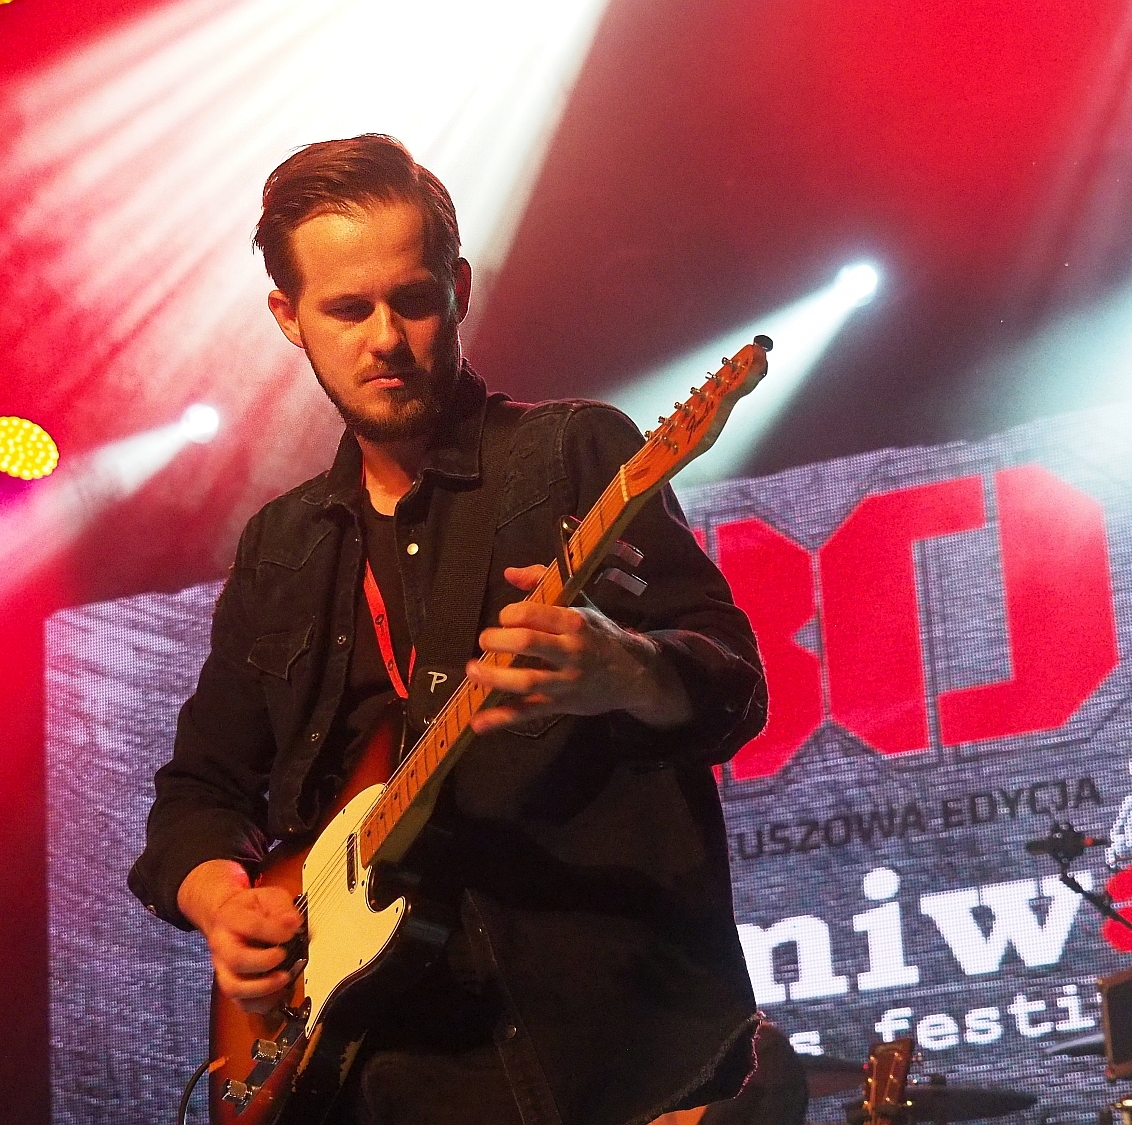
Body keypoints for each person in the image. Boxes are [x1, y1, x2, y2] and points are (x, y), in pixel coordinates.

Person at [128, 134, 769, 1125]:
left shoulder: (574, 452)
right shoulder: (280, 549)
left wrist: (630, 671)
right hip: (380, 1080)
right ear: (288, 316)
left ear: (458, 288)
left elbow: (735, 688)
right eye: (348, 310)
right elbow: (199, 792)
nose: (386, 338)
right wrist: (221, 899)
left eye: (414, 299)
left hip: (614, 1061)